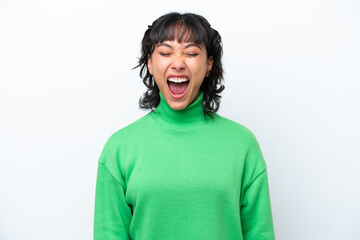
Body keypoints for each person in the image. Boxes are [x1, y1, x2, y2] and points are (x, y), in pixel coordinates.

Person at [94, 12, 275, 240]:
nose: (178, 63)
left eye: (191, 53)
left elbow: (260, 234)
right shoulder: (119, 148)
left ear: (209, 64)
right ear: (150, 63)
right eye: (165, 53)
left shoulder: (242, 144)